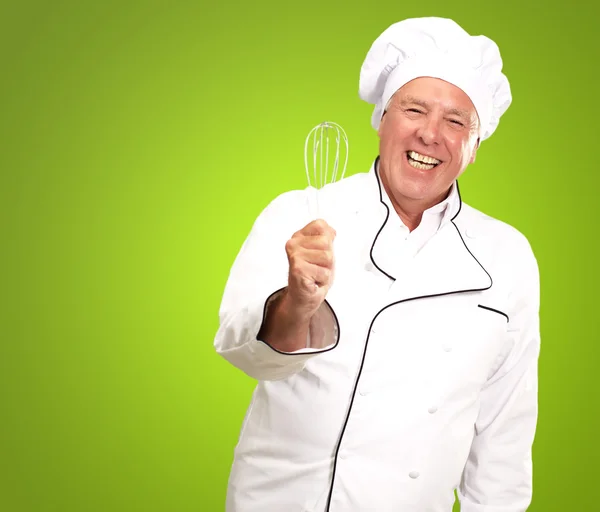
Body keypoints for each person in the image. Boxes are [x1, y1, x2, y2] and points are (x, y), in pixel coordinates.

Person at [214, 17, 540, 512]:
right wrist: (297, 303)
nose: (431, 134)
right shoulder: (302, 214)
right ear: (383, 120)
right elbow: (244, 353)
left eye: (456, 122)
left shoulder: (506, 255)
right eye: (414, 109)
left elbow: (504, 433)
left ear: (475, 148)